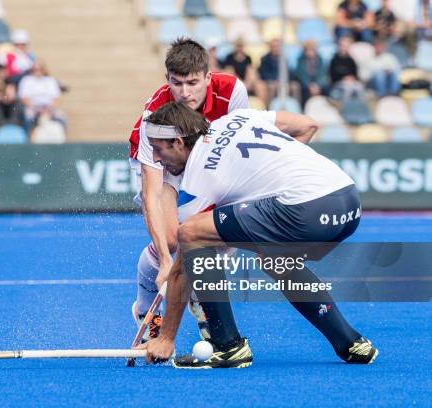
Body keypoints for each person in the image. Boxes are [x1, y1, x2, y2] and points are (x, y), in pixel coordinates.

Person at [137, 102, 378, 368]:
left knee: (192, 232)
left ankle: (227, 346)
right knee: (275, 261)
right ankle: (350, 342)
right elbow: (307, 126)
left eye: (158, 150)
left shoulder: (196, 180)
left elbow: (184, 266)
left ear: (179, 143)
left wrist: (167, 337)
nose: (157, 159)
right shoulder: (238, 117)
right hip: (348, 201)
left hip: (305, 211)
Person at [128, 37, 249, 343]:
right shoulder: (153, 116)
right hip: (165, 164)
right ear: (167, 79)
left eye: (193, 83)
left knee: (213, 238)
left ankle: (198, 294)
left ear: (208, 77)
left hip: (208, 161)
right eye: (176, 83)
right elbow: (152, 193)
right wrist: (169, 264)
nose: (184, 93)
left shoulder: (233, 92)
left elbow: (234, 153)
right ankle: (146, 309)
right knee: (171, 240)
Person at [18, 60, 66, 132]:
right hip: (32, 107)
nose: (38, 71)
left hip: (49, 107)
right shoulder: (26, 80)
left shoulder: (51, 80)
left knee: (61, 119)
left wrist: (49, 109)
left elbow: (57, 98)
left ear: (44, 70)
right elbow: (24, 98)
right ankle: (28, 139)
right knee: (28, 119)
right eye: (35, 70)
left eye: (40, 69)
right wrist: (37, 109)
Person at [222, 38, 268, 105]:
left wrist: (247, 83)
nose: (239, 48)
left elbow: (250, 71)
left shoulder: (248, 58)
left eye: (241, 46)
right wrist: (241, 84)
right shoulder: (229, 57)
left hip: (247, 82)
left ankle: (264, 107)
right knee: (229, 71)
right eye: (238, 46)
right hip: (235, 82)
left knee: (261, 86)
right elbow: (229, 72)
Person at [258, 38, 300, 106]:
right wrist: (275, 80)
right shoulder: (264, 59)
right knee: (272, 87)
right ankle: (269, 108)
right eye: (274, 46)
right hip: (271, 82)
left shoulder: (284, 58)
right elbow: (264, 73)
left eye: (277, 46)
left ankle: (297, 108)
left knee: (295, 86)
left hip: (283, 81)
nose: (275, 48)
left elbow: (288, 72)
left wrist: (284, 80)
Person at [329, 36, 366, 104]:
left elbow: (355, 74)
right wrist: (343, 78)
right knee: (347, 88)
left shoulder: (351, 60)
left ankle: (361, 107)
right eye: (342, 46)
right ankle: (345, 108)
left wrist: (352, 78)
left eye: (346, 46)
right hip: (338, 83)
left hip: (351, 82)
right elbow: (333, 75)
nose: (344, 48)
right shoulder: (334, 60)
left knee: (359, 87)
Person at [294, 40, 329, 106]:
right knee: (302, 90)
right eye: (308, 50)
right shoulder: (300, 60)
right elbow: (301, 75)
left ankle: (325, 107)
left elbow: (322, 74)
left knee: (326, 88)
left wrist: (317, 85)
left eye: (312, 50)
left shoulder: (320, 60)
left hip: (318, 83)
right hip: (306, 84)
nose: (310, 52)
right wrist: (309, 86)